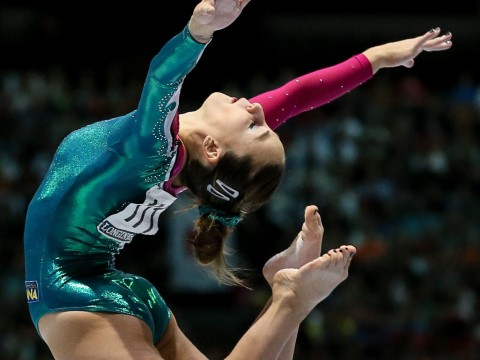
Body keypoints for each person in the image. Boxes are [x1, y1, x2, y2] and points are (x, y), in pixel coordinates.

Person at [23, 0, 452, 358]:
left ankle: (290, 299)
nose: (261, 111)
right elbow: (297, 95)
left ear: (214, 149)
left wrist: (198, 32)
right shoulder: (183, 159)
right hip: (111, 288)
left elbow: (163, 78)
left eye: (255, 129)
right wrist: (376, 59)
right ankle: (288, 298)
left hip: (74, 295)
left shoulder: (153, 148)